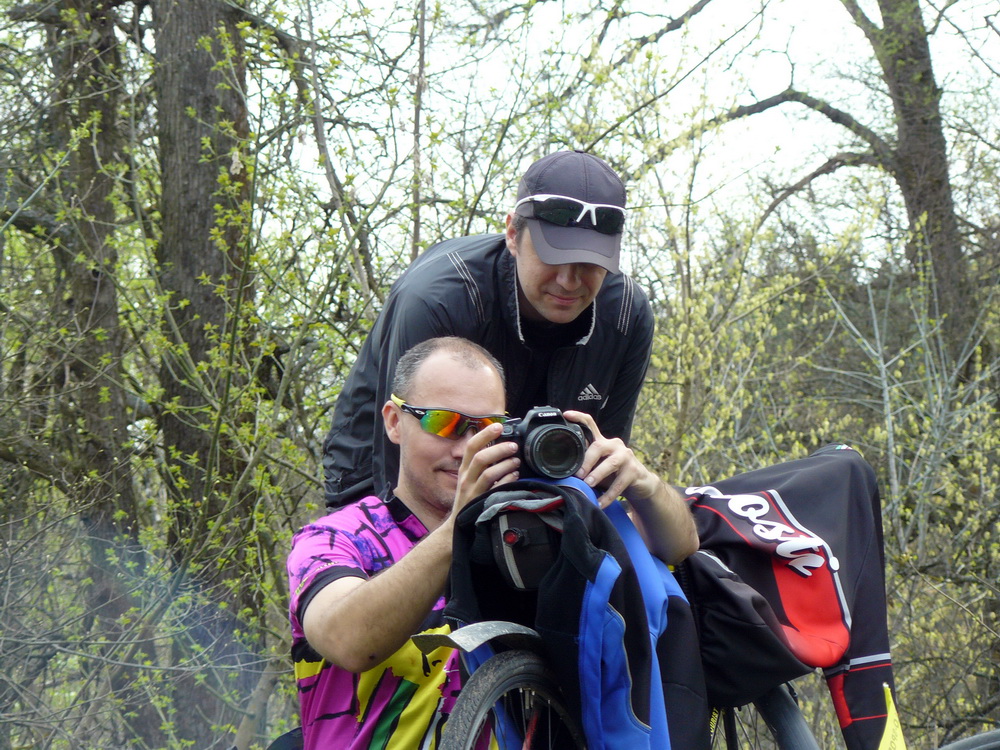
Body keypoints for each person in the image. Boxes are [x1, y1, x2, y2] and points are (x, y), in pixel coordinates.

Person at [287, 336, 698, 749]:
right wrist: (458, 527)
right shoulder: (338, 537)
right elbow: (348, 642)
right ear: (395, 422)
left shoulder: (525, 529)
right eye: (444, 423)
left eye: (487, 429)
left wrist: (645, 485)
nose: (466, 448)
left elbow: (678, 546)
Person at [322, 149, 655, 509]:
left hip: (532, 486)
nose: (569, 281)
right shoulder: (439, 301)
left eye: (589, 262)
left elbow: (602, 467)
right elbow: (401, 468)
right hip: (385, 478)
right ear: (512, 234)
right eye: (553, 255)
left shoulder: (626, 316)